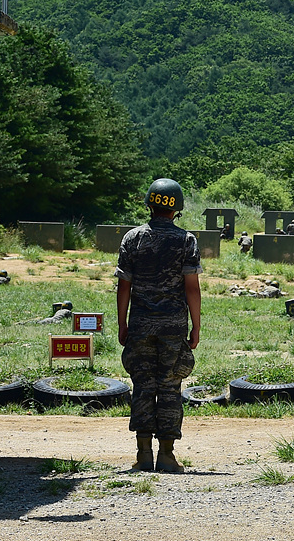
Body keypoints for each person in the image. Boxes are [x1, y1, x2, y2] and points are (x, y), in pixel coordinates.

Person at [116, 178, 201, 474]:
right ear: (176, 207)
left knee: (142, 386)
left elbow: (123, 286)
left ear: (150, 203)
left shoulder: (132, 239)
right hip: (173, 327)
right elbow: (192, 288)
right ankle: (167, 454)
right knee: (169, 387)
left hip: (140, 325)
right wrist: (196, 327)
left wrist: (122, 323)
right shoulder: (186, 240)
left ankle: (142, 455)